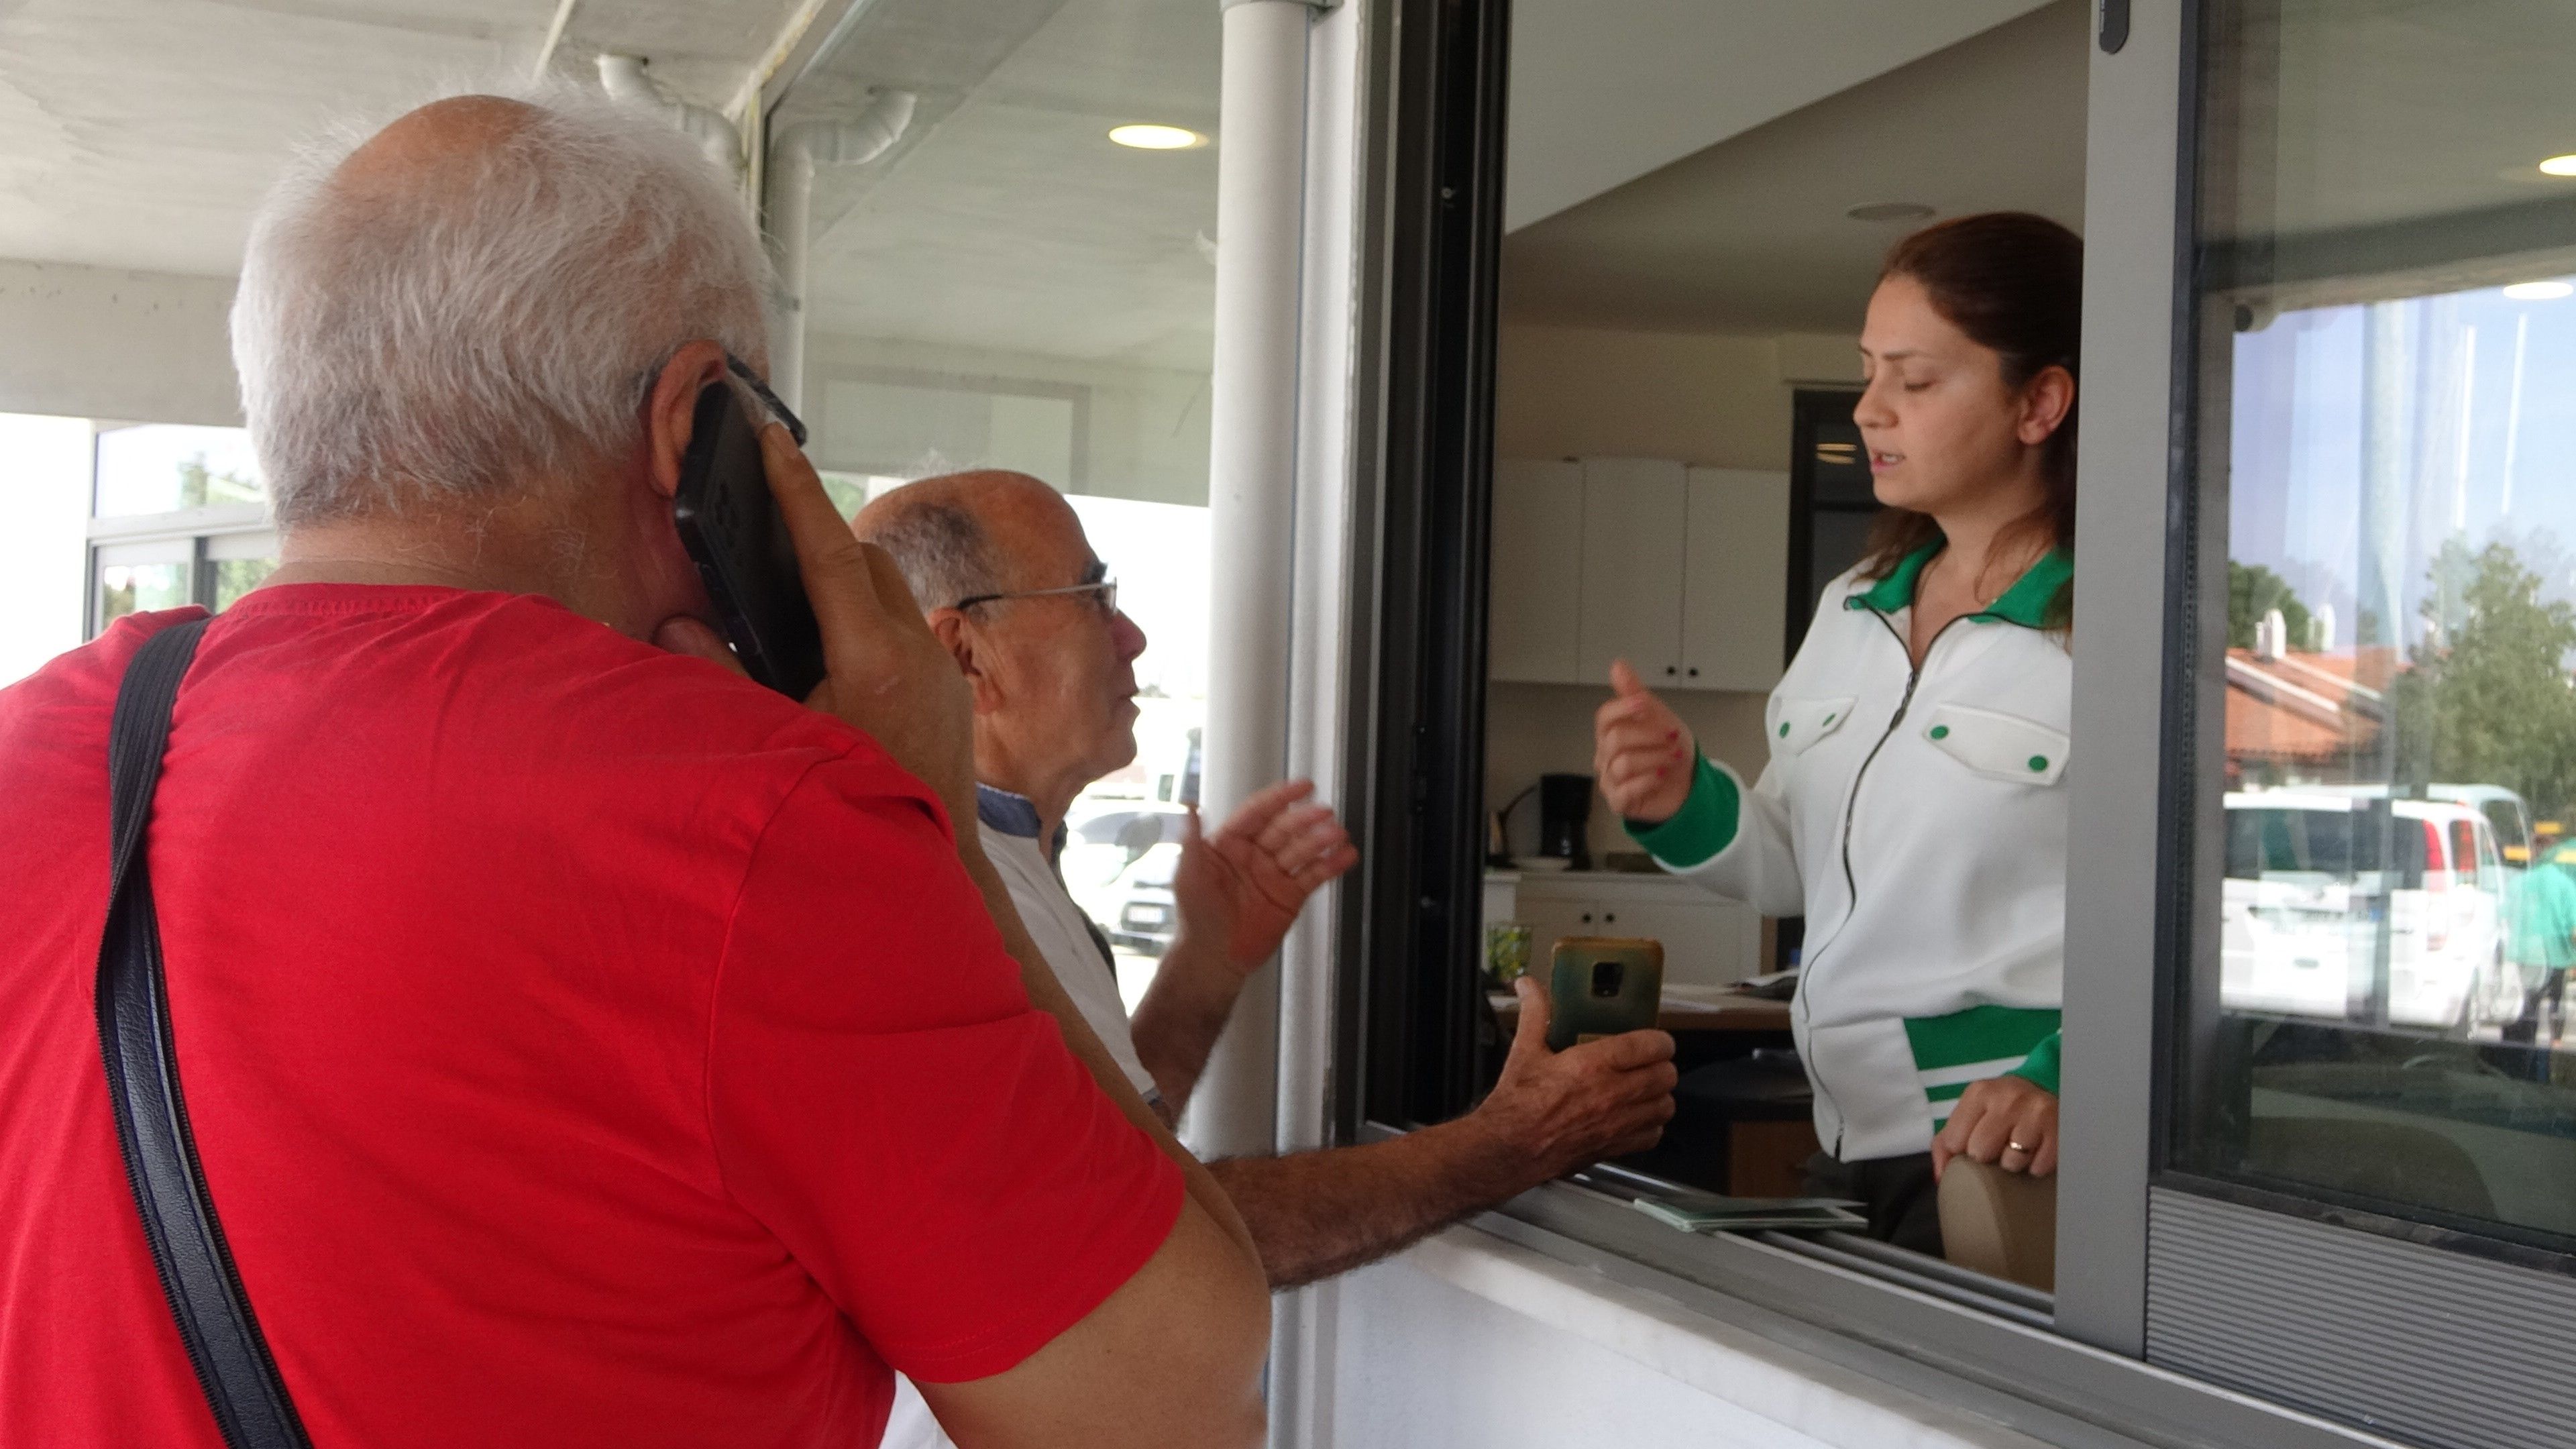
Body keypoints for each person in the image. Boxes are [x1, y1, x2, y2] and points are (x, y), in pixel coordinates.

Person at [0, 91, 1270, 1448]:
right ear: (693, 431)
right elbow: (1171, 1408)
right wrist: (934, 823)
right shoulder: (758, 829)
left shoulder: (34, 748)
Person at [854, 471, 1680, 1290]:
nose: (1132, 636)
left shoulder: (1003, 857)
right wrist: (1513, 1142)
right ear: (966, 655)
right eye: (1094, 597)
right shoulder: (955, 892)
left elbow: (1118, 1151)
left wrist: (1207, 965)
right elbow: (1149, 1226)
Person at [1593, 213, 2082, 1254]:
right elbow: (1791, 867)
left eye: (1916, 379)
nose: (1868, 409)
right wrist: (1683, 800)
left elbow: (2198, 924)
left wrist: (2070, 1076)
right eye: (1868, 373)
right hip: (1847, 1135)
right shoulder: (1855, 603)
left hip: (2004, 1152)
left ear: (2039, 403)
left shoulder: (2118, 628)